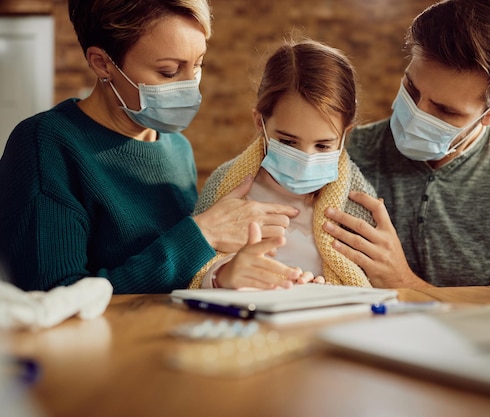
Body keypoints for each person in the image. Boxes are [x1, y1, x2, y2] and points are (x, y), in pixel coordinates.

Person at [0, 0, 302, 294]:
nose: (190, 87)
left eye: (198, 65)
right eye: (169, 72)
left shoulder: (176, 147)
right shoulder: (46, 144)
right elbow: (55, 299)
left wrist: (224, 273)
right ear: (102, 63)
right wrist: (201, 234)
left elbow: (181, 276)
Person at [323, 0, 490, 288]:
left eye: (445, 110)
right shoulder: (346, 151)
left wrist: (403, 283)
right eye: (411, 88)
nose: (417, 113)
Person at [191, 39, 376, 290]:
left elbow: (370, 283)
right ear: (260, 123)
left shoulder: (357, 202)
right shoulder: (225, 187)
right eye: (288, 142)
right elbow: (195, 268)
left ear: (345, 134)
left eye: (322, 146)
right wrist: (221, 275)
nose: (306, 160)